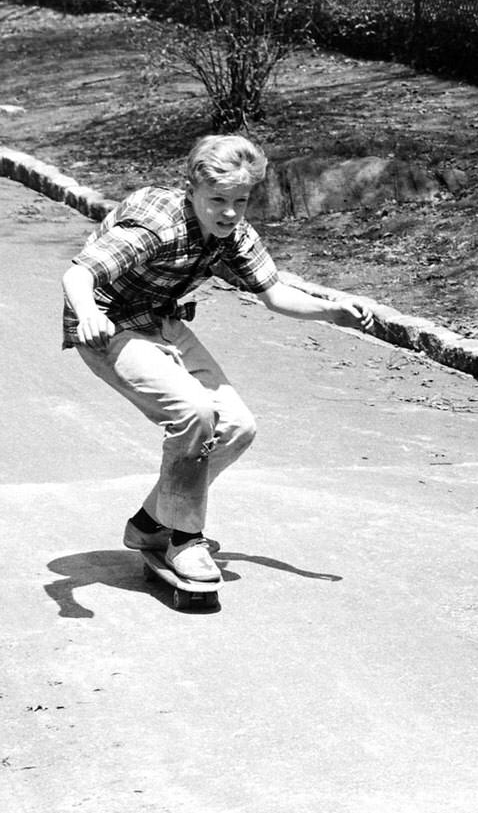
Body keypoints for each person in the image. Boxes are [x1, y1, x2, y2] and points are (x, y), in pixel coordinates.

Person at [62, 134, 375, 583]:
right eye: (218, 200)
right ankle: (185, 538)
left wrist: (333, 310)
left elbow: (276, 293)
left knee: (237, 427)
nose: (229, 212)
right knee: (194, 412)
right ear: (192, 189)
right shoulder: (157, 223)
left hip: (162, 321)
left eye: (241, 201)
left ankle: (152, 523)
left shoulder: (234, 232)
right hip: (107, 324)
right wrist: (90, 312)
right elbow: (79, 272)